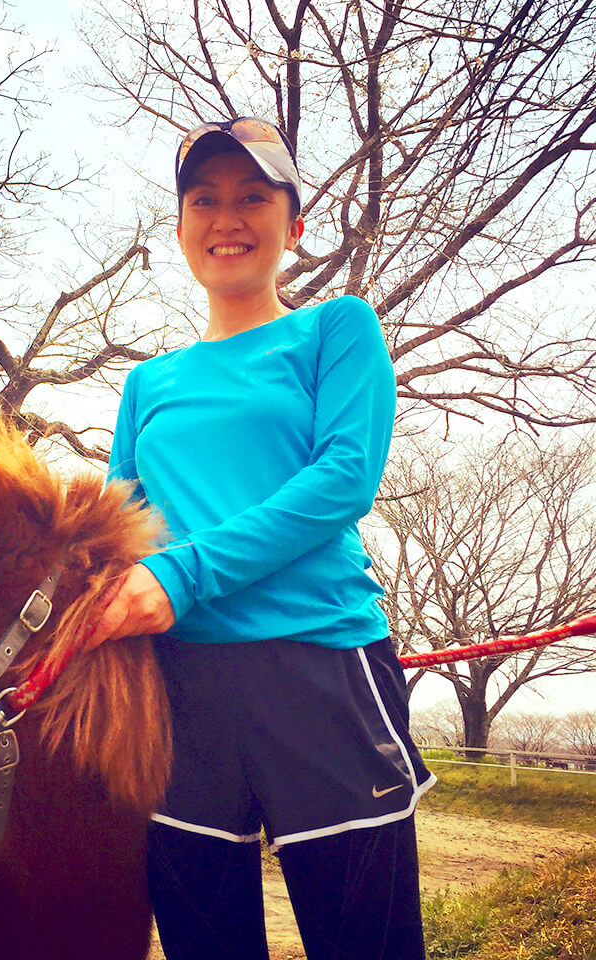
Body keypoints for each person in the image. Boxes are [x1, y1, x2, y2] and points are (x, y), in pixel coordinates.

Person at [86, 118, 436, 960]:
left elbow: (343, 478)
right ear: (179, 231)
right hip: (176, 691)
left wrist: (184, 575)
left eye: (254, 197)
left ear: (295, 226)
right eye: (203, 199)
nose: (227, 217)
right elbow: (116, 521)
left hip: (319, 669)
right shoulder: (148, 381)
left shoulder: (336, 330)